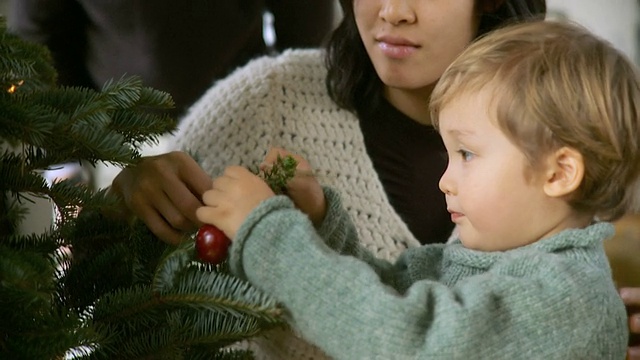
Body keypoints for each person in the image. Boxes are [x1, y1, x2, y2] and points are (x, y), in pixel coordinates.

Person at [196, 19, 637, 359]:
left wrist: (270, 238)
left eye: (466, 154)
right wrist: (318, 223)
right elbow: (386, 292)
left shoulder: (561, 298)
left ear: (559, 174)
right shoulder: (496, 261)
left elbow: (402, 338)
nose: (445, 180)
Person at [8, 0, 336, 118]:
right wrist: (76, 147)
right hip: (115, 137)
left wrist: (288, 114)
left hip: (241, 113)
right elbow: (39, 34)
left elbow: (306, 25)